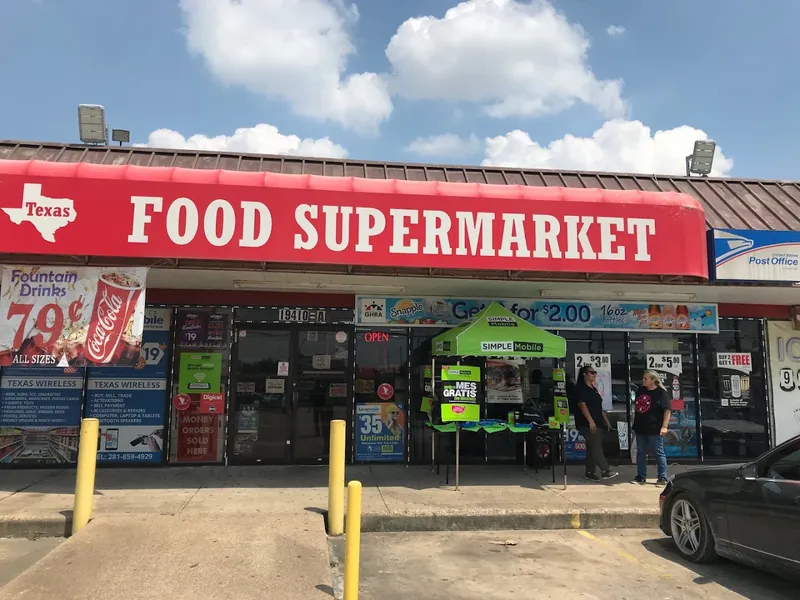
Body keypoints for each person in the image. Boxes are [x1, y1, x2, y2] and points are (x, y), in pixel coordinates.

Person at [573, 364, 618, 481]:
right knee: (596, 446)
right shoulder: (581, 388)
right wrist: (590, 421)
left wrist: (606, 420)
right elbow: (582, 405)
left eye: (595, 372)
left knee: (592, 447)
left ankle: (589, 471)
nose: (594, 374)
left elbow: (598, 406)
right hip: (586, 423)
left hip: (597, 421)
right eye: (591, 372)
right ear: (585, 374)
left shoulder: (593, 388)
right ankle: (605, 470)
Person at [632, 370, 671, 485]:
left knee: (659, 452)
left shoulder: (661, 393)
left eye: (646, 379)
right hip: (640, 427)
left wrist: (664, 426)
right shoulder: (640, 390)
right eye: (643, 378)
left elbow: (667, 411)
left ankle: (662, 477)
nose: (643, 380)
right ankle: (641, 476)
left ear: (653, 380)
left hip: (654, 428)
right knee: (641, 452)